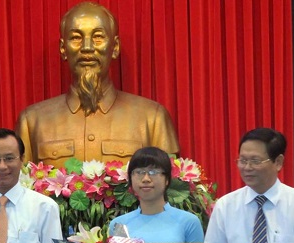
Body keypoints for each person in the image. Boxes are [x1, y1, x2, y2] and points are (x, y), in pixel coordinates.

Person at [15, 2, 179, 168]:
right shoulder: (32, 122)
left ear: (114, 47)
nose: (87, 47)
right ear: (63, 49)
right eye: (76, 38)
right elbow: (19, 188)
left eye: (98, 37)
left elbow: (170, 187)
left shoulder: (152, 119)